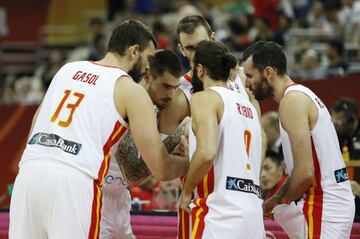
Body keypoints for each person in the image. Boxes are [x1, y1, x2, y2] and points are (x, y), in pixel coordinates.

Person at [9, 20, 189, 239]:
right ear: (134, 51)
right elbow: (161, 168)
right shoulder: (130, 90)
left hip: (28, 175)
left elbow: (36, 124)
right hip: (73, 182)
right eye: (148, 59)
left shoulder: (67, 69)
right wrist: (189, 161)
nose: (148, 68)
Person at [242, 40, 355, 238]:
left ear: (268, 73)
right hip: (330, 201)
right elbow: (300, 169)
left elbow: (304, 173)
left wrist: (283, 202)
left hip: (322, 204)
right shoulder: (300, 95)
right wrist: (276, 198)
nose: (246, 83)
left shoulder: (291, 101)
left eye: (250, 76)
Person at [175, 15, 264, 238]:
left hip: (220, 212)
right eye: (189, 47)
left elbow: (206, 152)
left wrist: (187, 191)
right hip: (251, 207)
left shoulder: (204, 97)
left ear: (201, 70)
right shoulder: (249, 105)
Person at [100, 49, 188, 239]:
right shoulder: (131, 99)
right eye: (165, 86)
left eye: (175, 87)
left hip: (120, 196)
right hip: (98, 196)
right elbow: (133, 174)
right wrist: (181, 133)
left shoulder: (155, 106)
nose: (171, 95)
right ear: (147, 77)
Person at [331, 97, 360, 182]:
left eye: (339, 121)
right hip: (349, 185)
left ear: (351, 120)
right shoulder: (339, 137)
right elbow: (338, 165)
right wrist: (342, 184)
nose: (335, 125)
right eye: (334, 120)